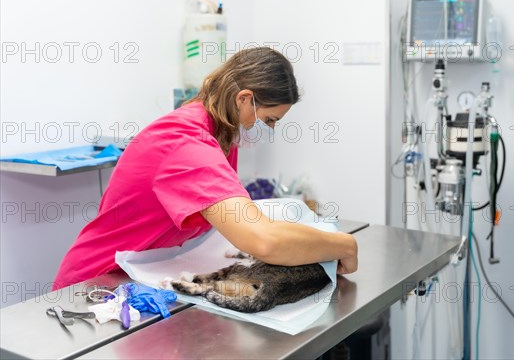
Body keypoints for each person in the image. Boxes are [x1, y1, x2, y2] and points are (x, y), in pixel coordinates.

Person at [53, 47, 358, 290]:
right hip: (98, 283)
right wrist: (343, 243)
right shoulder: (185, 143)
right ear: (244, 99)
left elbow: (237, 219)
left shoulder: (222, 135)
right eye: (269, 120)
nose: (268, 130)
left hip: (145, 274)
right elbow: (262, 239)